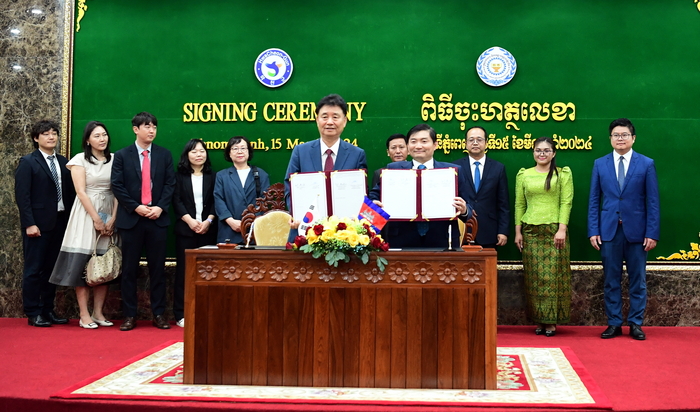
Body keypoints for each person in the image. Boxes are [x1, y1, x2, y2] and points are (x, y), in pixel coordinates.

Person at [588, 118, 659, 341]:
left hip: (638, 233)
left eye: (624, 135)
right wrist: (593, 230)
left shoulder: (646, 164)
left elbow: (653, 201)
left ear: (633, 138)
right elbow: (594, 200)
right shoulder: (600, 164)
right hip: (609, 232)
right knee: (611, 280)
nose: (620, 139)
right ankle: (614, 323)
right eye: (616, 135)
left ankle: (636, 324)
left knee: (638, 280)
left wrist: (652, 232)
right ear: (610, 139)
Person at [48, 121, 119, 329]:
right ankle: (84, 313)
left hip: (110, 209)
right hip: (86, 212)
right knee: (83, 263)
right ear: (88, 140)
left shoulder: (115, 160)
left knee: (103, 263)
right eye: (96, 136)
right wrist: (96, 218)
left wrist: (113, 217)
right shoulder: (79, 160)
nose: (102, 139)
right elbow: (80, 191)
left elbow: (118, 190)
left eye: (104, 135)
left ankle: (98, 312)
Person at [111, 112, 176, 331]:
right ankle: (129, 315)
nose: (151, 131)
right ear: (135, 129)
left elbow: (170, 184)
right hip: (131, 219)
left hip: (157, 219)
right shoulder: (121, 155)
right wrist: (136, 207)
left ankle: (158, 313)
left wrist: (159, 207)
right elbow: (117, 186)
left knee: (157, 269)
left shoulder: (164, 155)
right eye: (147, 126)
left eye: (154, 127)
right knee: (129, 270)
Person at [369, 124, 471, 248]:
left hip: (443, 241)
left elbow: (470, 208)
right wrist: (375, 202)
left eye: (424, 141)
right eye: (413, 141)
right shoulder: (392, 169)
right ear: (408, 145)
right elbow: (373, 196)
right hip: (401, 240)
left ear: (435, 145)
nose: (418, 146)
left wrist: (464, 210)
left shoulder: (452, 171)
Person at [15, 120, 75, 327]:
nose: (51, 137)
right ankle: (33, 312)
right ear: (36, 138)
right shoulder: (28, 162)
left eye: (54, 133)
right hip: (38, 226)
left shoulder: (63, 162)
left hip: (59, 222)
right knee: (34, 269)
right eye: (46, 134)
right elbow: (22, 197)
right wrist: (30, 224)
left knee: (52, 269)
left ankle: (48, 310)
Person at [514, 137, 573, 337]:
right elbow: (519, 204)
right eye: (538, 150)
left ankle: (552, 321)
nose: (542, 154)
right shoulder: (524, 174)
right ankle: (539, 319)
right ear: (533, 153)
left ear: (553, 153)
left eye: (546, 150)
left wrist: (562, 229)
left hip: (554, 232)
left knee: (553, 278)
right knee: (535, 278)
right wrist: (517, 231)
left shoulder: (562, 174)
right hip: (530, 231)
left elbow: (566, 202)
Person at [284, 94, 368, 209]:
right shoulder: (300, 152)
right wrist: (298, 214)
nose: (329, 122)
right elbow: (289, 189)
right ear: (317, 120)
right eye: (324, 117)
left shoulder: (357, 154)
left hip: (344, 224)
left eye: (335, 117)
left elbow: (360, 193)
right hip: (307, 221)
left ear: (344, 121)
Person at [173, 139, 217, 328]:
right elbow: (176, 201)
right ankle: (181, 313)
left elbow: (217, 200)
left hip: (208, 230)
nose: (199, 154)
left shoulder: (213, 176)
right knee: (184, 272)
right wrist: (190, 221)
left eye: (202, 151)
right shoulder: (178, 177)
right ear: (187, 155)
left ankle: (206, 311)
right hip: (186, 230)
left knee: (208, 272)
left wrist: (208, 221)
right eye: (194, 151)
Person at [452, 126, 510, 248]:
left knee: (487, 266)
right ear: (466, 144)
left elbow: (503, 204)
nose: (475, 143)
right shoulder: (455, 167)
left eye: (479, 139)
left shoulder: (498, 168)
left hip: (489, 230)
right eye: (471, 140)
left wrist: (503, 231)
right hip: (461, 229)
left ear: (486, 143)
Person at [214, 136, 270, 244]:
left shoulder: (261, 174)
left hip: (255, 232)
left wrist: (252, 223)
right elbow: (218, 200)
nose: (239, 151)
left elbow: (265, 201)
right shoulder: (222, 176)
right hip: (229, 231)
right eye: (235, 148)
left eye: (243, 148)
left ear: (249, 152)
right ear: (229, 153)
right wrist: (230, 221)